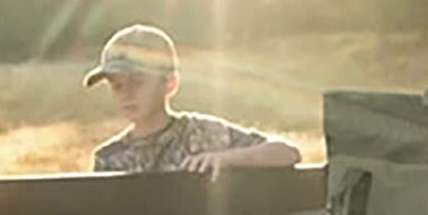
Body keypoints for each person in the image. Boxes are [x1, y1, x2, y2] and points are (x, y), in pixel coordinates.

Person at [84, 23, 299, 174]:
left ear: (169, 84)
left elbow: (287, 153)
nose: (126, 94)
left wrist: (226, 159)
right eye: (117, 85)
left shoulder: (203, 134)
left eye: (138, 82)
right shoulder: (108, 158)